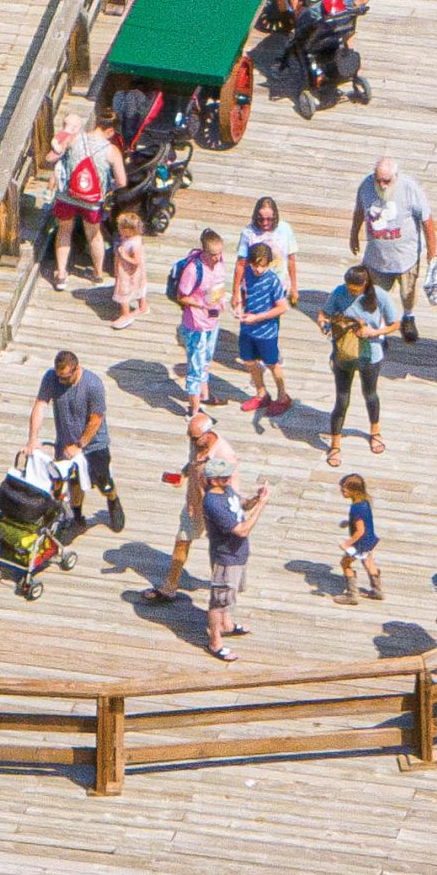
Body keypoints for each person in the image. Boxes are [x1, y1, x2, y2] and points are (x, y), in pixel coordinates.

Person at [143, 413, 234, 603]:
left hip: (215, 510)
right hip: (193, 504)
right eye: (190, 437)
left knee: (219, 551)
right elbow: (192, 462)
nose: (192, 442)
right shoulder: (196, 443)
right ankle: (170, 587)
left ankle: (225, 589)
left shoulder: (222, 455)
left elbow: (227, 488)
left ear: (208, 434)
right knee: (182, 541)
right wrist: (183, 474)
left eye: (195, 438)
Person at [22, 350, 113, 531]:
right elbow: (40, 405)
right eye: (59, 377)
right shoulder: (51, 378)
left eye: (65, 378)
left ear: (76, 369)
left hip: (94, 443)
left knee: (104, 483)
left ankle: (113, 500)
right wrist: (32, 439)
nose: (61, 382)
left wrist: (80, 445)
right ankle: (77, 518)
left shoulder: (92, 384)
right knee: (73, 482)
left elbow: (96, 419)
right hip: (66, 442)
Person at [350, 157, 436, 344]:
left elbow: (427, 220)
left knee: (408, 293)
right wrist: (354, 234)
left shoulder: (409, 189)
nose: (381, 184)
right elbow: (359, 210)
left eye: (386, 181)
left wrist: (431, 250)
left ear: (395, 177)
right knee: (375, 295)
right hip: (377, 257)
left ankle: (408, 317)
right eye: (378, 179)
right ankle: (379, 333)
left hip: (406, 257)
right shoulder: (366, 186)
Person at [322, 266, 400, 465]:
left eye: (355, 289)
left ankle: (375, 432)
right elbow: (324, 313)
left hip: (370, 354)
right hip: (344, 353)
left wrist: (373, 333)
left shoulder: (380, 296)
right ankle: (335, 445)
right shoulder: (340, 292)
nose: (351, 292)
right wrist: (324, 325)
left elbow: (395, 323)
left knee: (370, 394)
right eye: (349, 288)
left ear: (365, 284)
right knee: (342, 399)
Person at [46, 105, 125, 291]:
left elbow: (51, 156)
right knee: (94, 236)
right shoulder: (112, 150)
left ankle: (61, 274)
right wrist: (107, 188)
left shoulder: (74, 138)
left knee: (64, 232)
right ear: (110, 130)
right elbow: (121, 181)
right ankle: (97, 274)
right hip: (92, 201)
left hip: (67, 196)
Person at [200, 461, 270, 661]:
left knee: (229, 596)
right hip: (226, 557)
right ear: (214, 480)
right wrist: (262, 507)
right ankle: (215, 642)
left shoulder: (226, 490)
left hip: (238, 554)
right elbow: (241, 530)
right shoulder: (213, 503)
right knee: (219, 600)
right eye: (225, 477)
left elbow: (242, 505)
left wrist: (257, 498)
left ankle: (226, 625)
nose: (229, 479)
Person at [169, 229, 232, 417]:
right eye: (213, 254)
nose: (217, 257)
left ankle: (204, 395)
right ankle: (194, 411)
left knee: (206, 360)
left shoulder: (219, 263)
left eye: (220, 253)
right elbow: (182, 296)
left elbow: (217, 287)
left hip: (213, 320)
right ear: (204, 251)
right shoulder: (193, 269)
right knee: (195, 366)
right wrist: (201, 304)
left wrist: (220, 302)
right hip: (196, 324)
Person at [235, 242, 294, 415]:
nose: (259, 269)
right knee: (248, 361)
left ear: (269, 264)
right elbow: (243, 292)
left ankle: (283, 397)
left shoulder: (273, 281)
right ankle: (261, 394)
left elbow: (282, 307)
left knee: (272, 364)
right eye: (255, 265)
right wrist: (239, 306)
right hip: (247, 329)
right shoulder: (247, 273)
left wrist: (257, 317)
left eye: (263, 265)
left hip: (267, 332)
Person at [238, 197, 301, 306]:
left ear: (275, 217)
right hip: (253, 285)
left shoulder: (285, 229)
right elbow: (241, 263)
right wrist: (236, 292)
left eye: (269, 219)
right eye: (260, 219)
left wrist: (294, 287)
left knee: (273, 318)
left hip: (278, 285)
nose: (265, 223)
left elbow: (291, 259)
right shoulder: (248, 232)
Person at [338, 473, 383, 603]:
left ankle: (352, 595)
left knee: (345, 564)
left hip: (360, 543)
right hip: (370, 540)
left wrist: (347, 544)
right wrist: (349, 522)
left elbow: (360, 531)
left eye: (344, 490)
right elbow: (362, 522)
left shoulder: (356, 508)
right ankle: (377, 591)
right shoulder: (365, 502)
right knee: (368, 562)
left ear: (354, 491)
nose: (342, 492)